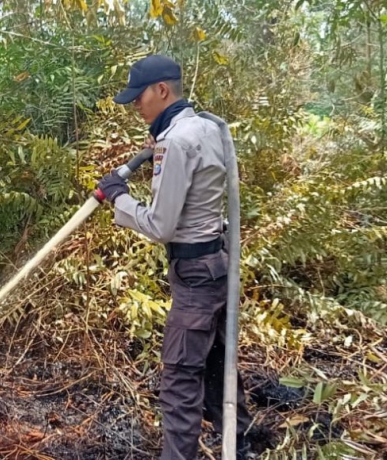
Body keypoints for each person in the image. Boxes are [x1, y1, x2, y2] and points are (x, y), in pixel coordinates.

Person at [96, 54, 253, 460]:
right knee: (217, 361)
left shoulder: (175, 142)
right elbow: (196, 179)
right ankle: (242, 440)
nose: (135, 105)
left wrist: (120, 197)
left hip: (195, 275)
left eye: (139, 96)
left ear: (162, 90)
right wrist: (156, 149)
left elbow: (160, 225)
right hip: (218, 266)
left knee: (181, 378)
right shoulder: (206, 128)